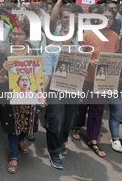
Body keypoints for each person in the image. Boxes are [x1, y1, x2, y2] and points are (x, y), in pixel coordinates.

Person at [74, 5, 119, 158]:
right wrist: (89, 61)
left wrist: (119, 64)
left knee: (97, 110)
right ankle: (77, 126)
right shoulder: (88, 34)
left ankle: (93, 138)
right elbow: (79, 55)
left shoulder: (115, 36)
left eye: (111, 17)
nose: (107, 20)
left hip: (104, 81)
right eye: (104, 17)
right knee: (82, 105)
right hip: (87, 77)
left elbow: (115, 55)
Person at [0, 21, 38, 174]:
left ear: (27, 35)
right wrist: (3, 72)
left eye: (20, 34)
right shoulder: (3, 51)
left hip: (29, 93)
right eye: (14, 33)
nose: (16, 36)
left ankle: (21, 139)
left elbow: (38, 71)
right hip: (10, 95)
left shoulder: (33, 50)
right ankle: (14, 155)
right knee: (12, 125)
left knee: (27, 120)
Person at [43, 21, 87, 169]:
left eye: (71, 32)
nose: (67, 35)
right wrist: (43, 93)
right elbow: (46, 73)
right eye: (64, 31)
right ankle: (53, 151)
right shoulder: (51, 49)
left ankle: (61, 142)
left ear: (75, 35)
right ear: (60, 32)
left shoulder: (80, 49)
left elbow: (82, 73)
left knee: (69, 121)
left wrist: (83, 74)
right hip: (55, 91)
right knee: (56, 120)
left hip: (73, 91)